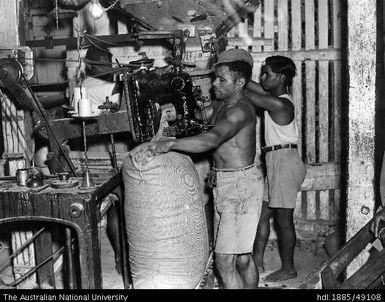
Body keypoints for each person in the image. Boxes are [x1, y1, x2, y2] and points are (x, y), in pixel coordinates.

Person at [129, 48, 264, 289]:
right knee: (242, 257)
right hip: (228, 184)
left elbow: (210, 140)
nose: (214, 83)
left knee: (224, 262)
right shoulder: (222, 105)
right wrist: (164, 125)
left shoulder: (239, 110)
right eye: (215, 77)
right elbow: (196, 121)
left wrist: (167, 145)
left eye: (221, 79)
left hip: (240, 188)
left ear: (240, 81)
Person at [245, 55, 306, 282]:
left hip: (285, 161)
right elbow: (250, 85)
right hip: (275, 161)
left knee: (283, 219)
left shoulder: (281, 103)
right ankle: (257, 261)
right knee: (262, 216)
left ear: (280, 77)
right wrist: (236, 72)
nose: (262, 77)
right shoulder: (274, 96)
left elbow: (245, 91)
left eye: (267, 73)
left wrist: (234, 80)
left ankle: (289, 268)